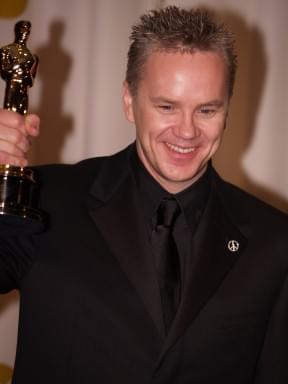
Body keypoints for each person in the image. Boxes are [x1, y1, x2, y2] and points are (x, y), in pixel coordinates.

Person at [0, 6, 288, 384]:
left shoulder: (274, 242)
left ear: (228, 107)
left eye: (206, 109)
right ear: (129, 101)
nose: (187, 132)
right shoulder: (44, 197)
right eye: (167, 106)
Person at [0, 20, 39, 115]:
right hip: (12, 87)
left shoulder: (31, 56)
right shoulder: (6, 50)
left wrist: (28, 75)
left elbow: (31, 81)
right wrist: (18, 64)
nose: (25, 32)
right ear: (16, 30)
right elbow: (4, 71)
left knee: (22, 117)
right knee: (9, 114)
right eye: (23, 28)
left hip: (23, 91)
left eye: (28, 30)